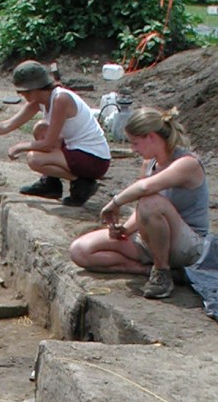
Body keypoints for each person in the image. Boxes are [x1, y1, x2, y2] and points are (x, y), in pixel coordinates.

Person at [69, 106, 208, 300]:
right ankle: (147, 270)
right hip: (151, 241)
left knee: (150, 201)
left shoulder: (187, 164)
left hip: (186, 246)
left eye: (135, 143)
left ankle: (162, 273)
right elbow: (142, 210)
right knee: (80, 250)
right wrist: (125, 229)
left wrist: (115, 202)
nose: (133, 149)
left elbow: (145, 191)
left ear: (151, 137)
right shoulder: (149, 163)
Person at [0, 59, 111, 206]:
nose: (22, 96)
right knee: (40, 128)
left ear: (34, 89)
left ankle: (83, 183)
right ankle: (51, 184)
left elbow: (48, 144)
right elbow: (7, 125)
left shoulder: (60, 99)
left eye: (23, 92)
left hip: (94, 159)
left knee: (34, 159)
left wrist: (20, 147)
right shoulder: (40, 102)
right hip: (76, 149)